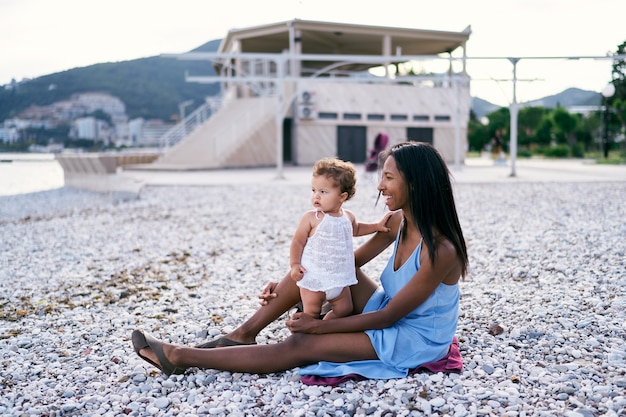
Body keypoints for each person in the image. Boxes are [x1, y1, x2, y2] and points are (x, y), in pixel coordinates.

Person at [132, 141, 469, 380]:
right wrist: (291, 281)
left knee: (302, 343)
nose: (380, 186)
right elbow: (341, 263)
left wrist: (318, 326)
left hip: (413, 338)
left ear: (417, 183)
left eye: (389, 177)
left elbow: (390, 317)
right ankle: (243, 334)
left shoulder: (441, 250)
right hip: (385, 309)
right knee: (315, 268)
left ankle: (179, 357)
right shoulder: (397, 222)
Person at [290, 157, 392, 319]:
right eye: (313, 190)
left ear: (342, 197)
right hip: (314, 278)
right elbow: (298, 242)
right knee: (312, 311)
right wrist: (295, 264)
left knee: (345, 309)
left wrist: (376, 226)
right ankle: (306, 330)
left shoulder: (347, 217)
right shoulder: (311, 217)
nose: (316, 196)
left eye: (323, 192)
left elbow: (356, 228)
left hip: (339, 279)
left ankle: (325, 324)